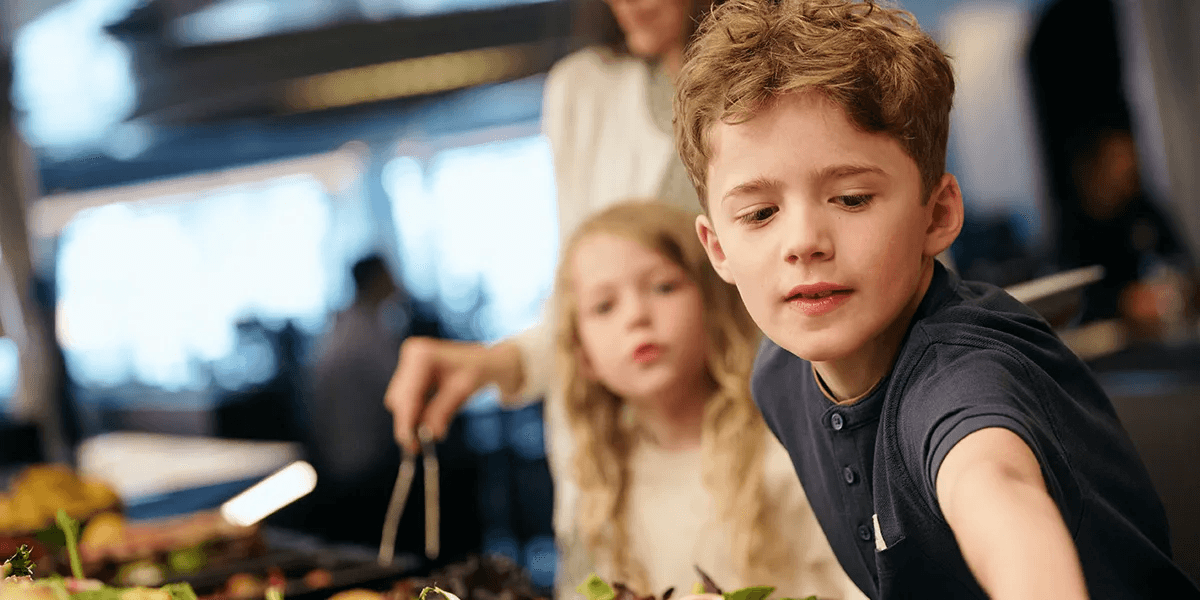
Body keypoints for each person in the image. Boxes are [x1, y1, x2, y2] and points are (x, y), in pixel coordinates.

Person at [672, 0, 1200, 598]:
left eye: (850, 199)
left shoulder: (963, 376)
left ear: (939, 213)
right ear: (717, 248)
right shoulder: (778, 375)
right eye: (760, 212)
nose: (803, 243)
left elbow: (994, 486)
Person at [388, 0, 720, 592]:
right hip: (617, 481)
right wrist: (498, 363)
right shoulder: (586, 92)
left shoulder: (787, 73)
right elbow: (587, 306)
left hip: (753, 462)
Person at [555, 201, 863, 597]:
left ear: (714, 307)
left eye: (663, 287)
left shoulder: (785, 452)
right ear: (583, 356)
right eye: (604, 306)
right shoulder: (607, 478)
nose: (636, 315)